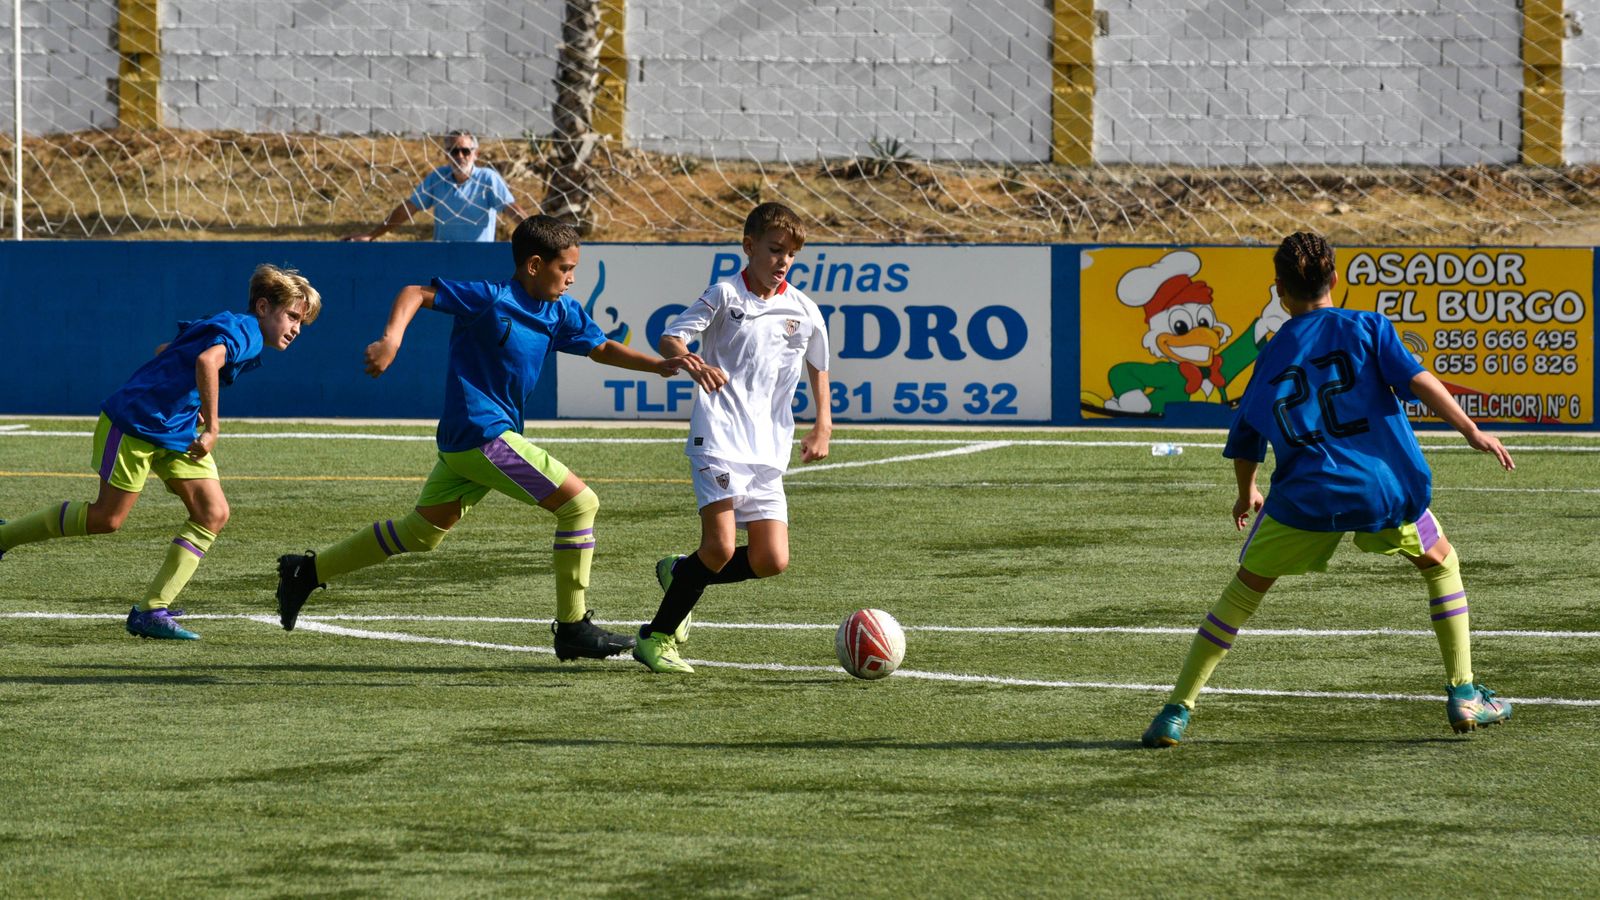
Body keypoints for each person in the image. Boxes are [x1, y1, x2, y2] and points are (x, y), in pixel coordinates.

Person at [276, 215, 720, 661]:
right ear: (533, 265)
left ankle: (306, 571)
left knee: (421, 532)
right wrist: (391, 340)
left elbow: (599, 346)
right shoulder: (491, 298)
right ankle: (572, 627)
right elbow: (414, 293)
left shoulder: (560, 310)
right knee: (580, 503)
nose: (570, 279)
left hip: (472, 443)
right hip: (480, 433)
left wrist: (658, 366)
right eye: (564, 269)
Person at [1140, 232, 1517, 747]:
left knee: (1241, 596)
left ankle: (1175, 711)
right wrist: (1470, 429)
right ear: (1336, 279)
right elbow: (1420, 380)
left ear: (1278, 291)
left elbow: (1246, 435)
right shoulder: (1367, 325)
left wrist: (1246, 490)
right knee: (1440, 563)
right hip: (1380, 489)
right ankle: (1464, 692)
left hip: (1305, 497)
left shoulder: (1271, 355)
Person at [0, 265, 322, 640]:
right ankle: (6, 537)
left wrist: (189, 398)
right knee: (106, 519)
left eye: (303, 322)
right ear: (264, 307)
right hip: (135, 423)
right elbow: (206, 362)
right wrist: (213, 425)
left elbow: (167, 351)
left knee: (212, 512)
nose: (297, 328)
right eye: (293, 316)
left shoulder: (230, 324)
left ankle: (152, 609)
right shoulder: (248, 331)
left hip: (174, 429)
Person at [632, 201, 832, 674]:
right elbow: (670, 338)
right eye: (774, 249)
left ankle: (681, 573)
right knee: (720, 547)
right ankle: (656, 637)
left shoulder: (803, 309)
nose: (782, 260)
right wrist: (690, 360)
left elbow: (819, 366)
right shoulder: (725, 295)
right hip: (718, 436)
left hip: (768, 448)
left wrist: (823, 424)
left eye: (791, 254)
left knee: (770, 560)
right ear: (749, 247)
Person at [343, 131, 527, 243]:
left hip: (478, 256)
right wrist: (372, 235)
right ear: (446, 154)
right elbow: (409, 207)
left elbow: (511, 209)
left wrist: (537, 237)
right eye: (454, 151)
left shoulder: (488, 179)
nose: (460, 156)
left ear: (476, 154)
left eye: (465, 151)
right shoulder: (438, 178)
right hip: (444, 257)